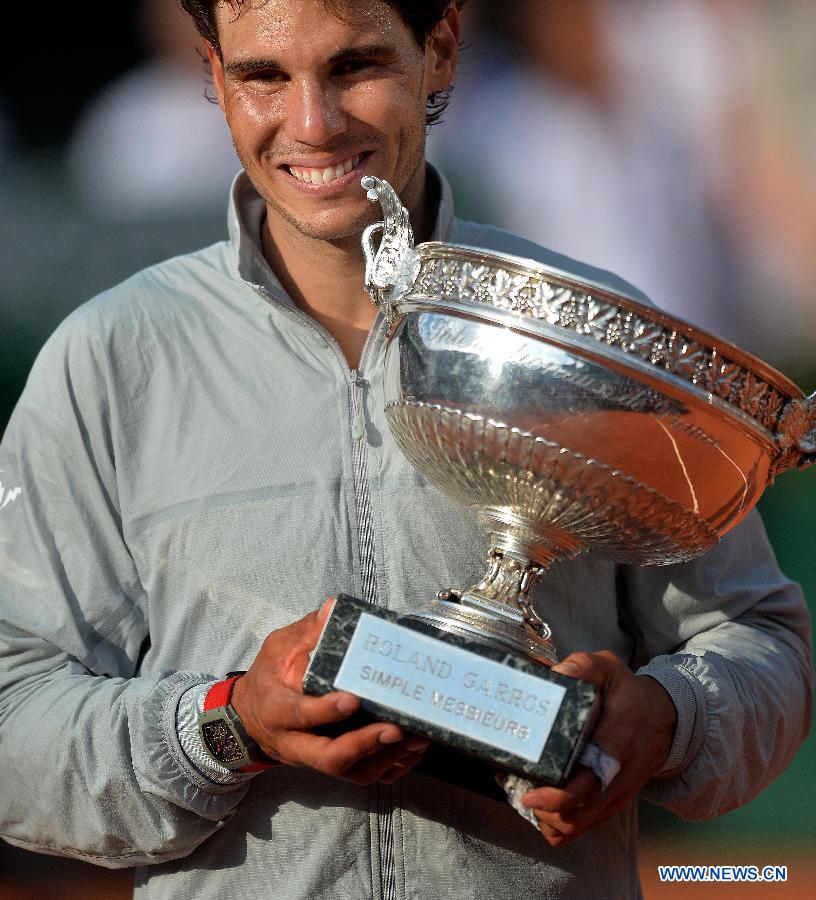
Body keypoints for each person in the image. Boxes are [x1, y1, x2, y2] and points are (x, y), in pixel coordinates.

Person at [0, 1, 811, 898]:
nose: (313, 125)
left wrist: (665, 718)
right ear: (213, 73)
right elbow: (13, 716)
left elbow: (757, 640)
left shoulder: (591, 332)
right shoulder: (110, 357)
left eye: (355, 67)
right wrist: (227, 726)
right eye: (263, 76)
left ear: (441, 50)